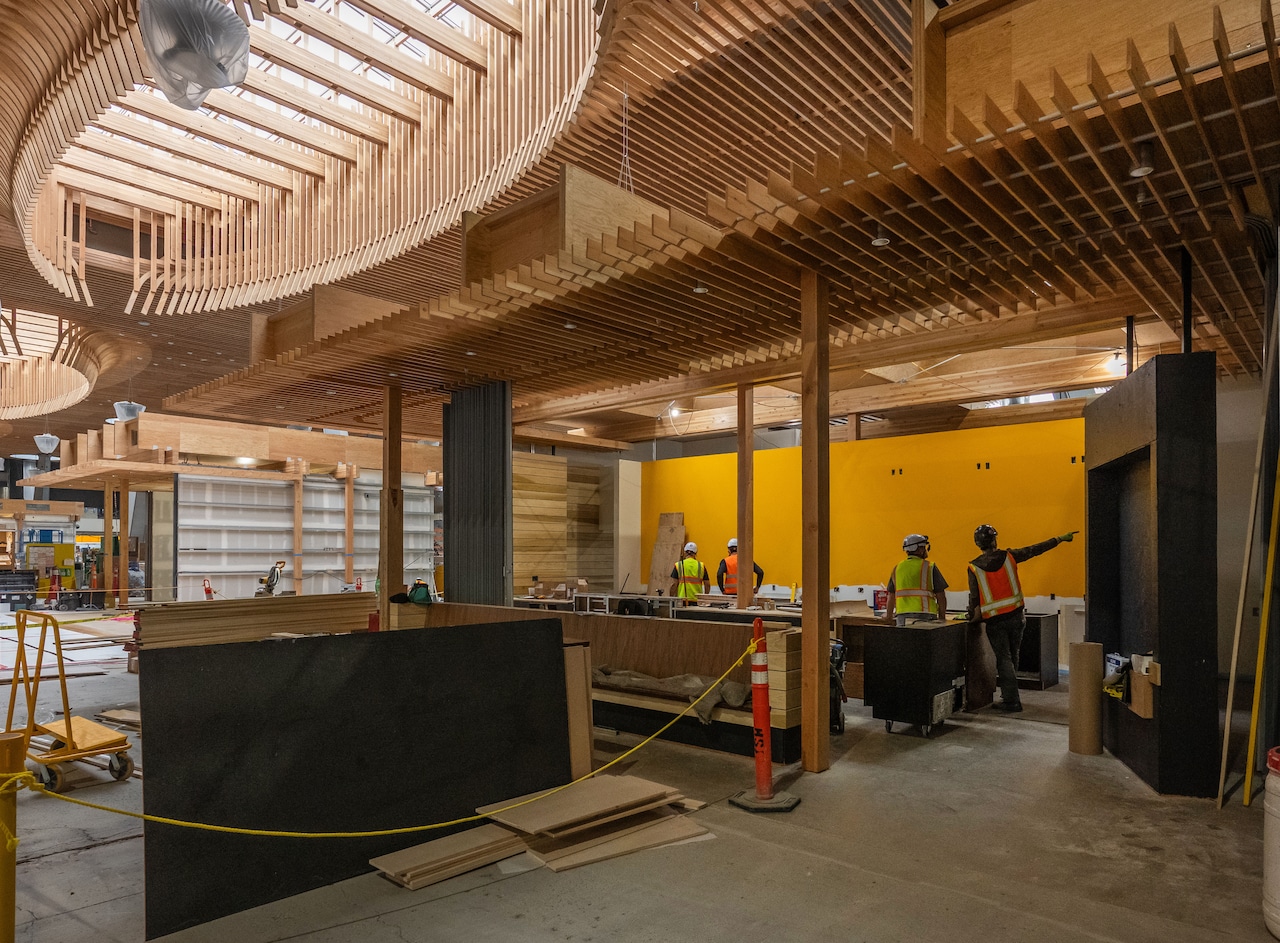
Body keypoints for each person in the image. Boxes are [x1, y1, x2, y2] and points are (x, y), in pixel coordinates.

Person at [967, 524, 1077, 712]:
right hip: (1017, 617)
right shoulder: (1010, 556)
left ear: (978, 544)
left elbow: (974, 598)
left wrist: (971, 617)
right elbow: (1035, 549)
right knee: (1012, 656)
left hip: (995, 621)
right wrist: (1059, 539)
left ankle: (1011, 700)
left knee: (1004, 659)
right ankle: (1011, 693)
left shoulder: (974, 567)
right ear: (994, 540)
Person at [885, 534, 948, 626]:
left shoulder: (897, 568)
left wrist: (889, 616)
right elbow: (940, 595)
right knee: (923, 640)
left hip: (902, 615)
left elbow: (891, 595)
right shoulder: (929, 567)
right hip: (925, 613)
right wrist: (942, 617)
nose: (925, 550)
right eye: (923, 547)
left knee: (905, 640)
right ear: (919, 549)